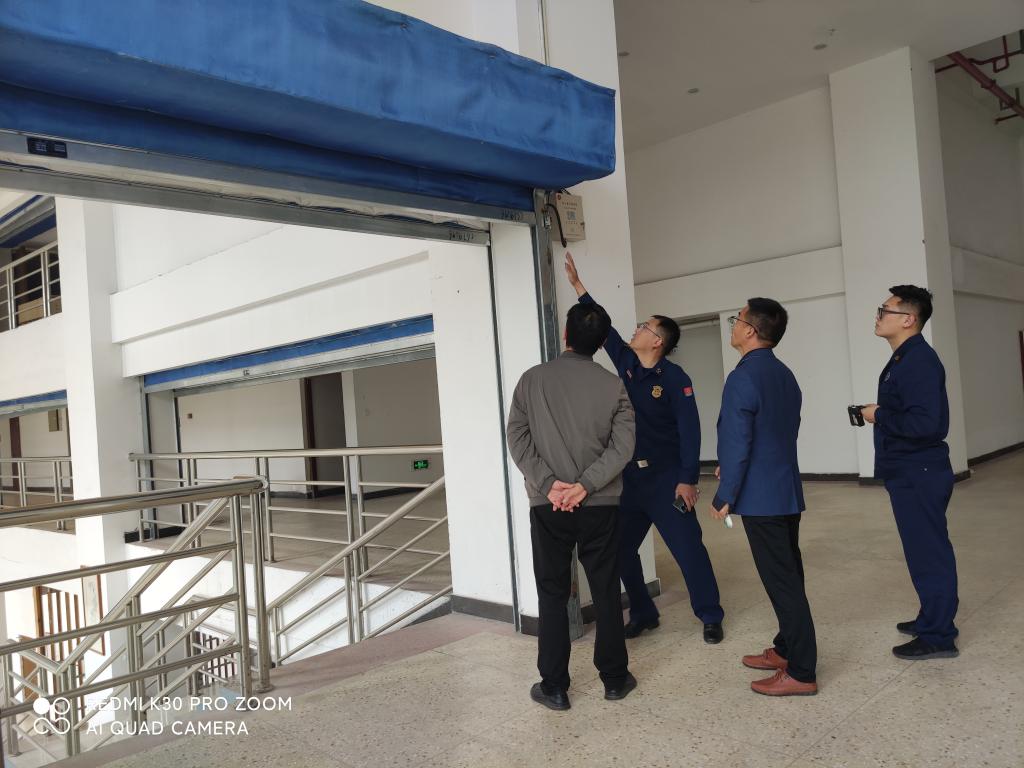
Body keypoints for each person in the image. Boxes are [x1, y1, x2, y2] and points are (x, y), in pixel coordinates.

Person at [564, 252, 724, 644]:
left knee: (688, 550)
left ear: (658, 340)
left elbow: (691, 431)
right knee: (620, 550)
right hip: (630, 481)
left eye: (644, 327)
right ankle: (643, 611)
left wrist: (688, 480)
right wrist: (580, 288)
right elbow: (606, 329)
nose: (636, 330)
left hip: (667, 480)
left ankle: (710, 614)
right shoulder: (628, 363)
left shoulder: (674, 378)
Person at [506, 300, 638, 711]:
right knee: (605, 588)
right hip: (601, 504)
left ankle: (555, 687)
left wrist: (551, 486)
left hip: (548, 506)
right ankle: (614, 679)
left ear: (565, 334)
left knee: (552, 592)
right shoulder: (614, 386)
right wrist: (585, 486)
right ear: (600, 343)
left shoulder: (532, 380)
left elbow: (517, 438)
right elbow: (623, 447)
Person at [710, 298, 818, 696]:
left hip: (761, 497)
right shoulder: (783, 373)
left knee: (782, 583)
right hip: (784, 489)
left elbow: (738, 439)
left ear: (750, 330)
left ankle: (802, 672)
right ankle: (786, 648)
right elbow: (778, 432)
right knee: (789, 574)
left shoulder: (743, 377)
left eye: (737, 319)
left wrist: (726, 492)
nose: (733, 325)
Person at [859, 286, 960, 660]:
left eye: (884, 310)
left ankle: (939, 635)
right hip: (909, 470)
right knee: (922, 551)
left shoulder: (918, 361)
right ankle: (931, 618)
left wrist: (879, 414)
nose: (878, 315)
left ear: (908, 319)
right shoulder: (905, 357)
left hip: (918, 471)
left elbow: (928, 424)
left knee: (929, 553)